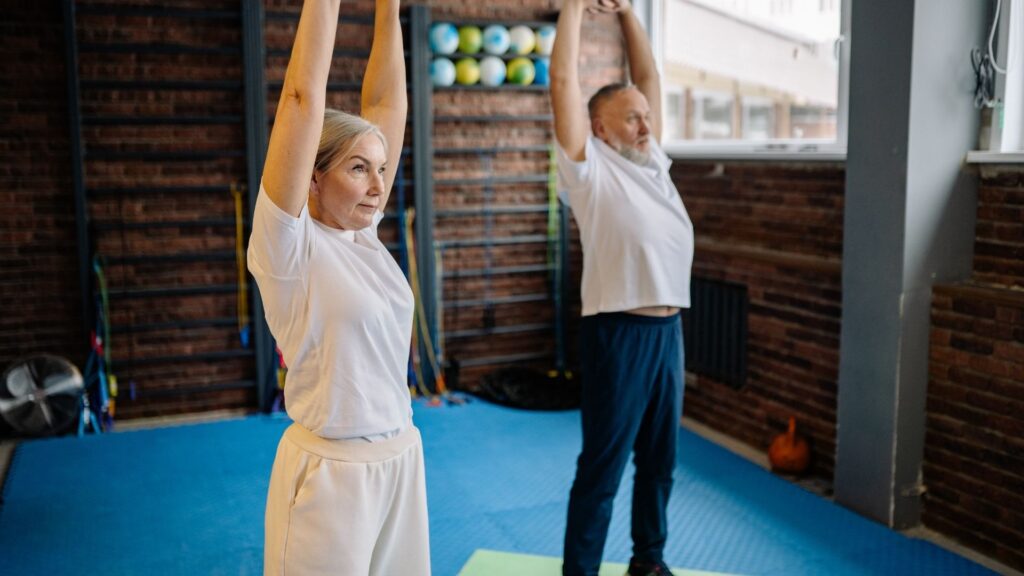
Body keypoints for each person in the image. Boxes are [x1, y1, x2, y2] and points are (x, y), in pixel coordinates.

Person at [247, 1, 429, 574]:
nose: (379, 185)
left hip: (401, 459)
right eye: (358, 168)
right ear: (314, 177)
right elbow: (302, 96)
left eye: (381, 168)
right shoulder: (288, 248)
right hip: (331, 474)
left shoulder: (365, 232)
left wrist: (388, 10)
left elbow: (386, 105)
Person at [549, 0, 695, 575]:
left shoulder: (653, 161)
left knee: (660, 462)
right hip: (619, 332)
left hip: (668, 332)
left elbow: (650, 76)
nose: (645, 123)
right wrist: (574, 9)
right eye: (631, 117)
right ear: (599, 129)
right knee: (604, 467)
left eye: (646, 115)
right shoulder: (589, 170)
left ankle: (648, 563)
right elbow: (563, 78)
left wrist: (630, 12)